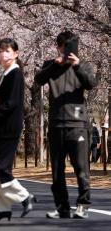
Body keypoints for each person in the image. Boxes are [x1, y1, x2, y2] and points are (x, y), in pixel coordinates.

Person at [35, 31, 98, 219]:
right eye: (63, 46)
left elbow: (91, 84)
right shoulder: (51, 65)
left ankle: (83, 205)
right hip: (55, 124)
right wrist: (55, 64)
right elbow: (38, 79)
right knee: (56, 171)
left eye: (70, 45)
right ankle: (62, 207)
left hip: (78, 124)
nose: (67, 49)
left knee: (81, 167)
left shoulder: (83, 65)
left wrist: (77, 66)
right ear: (58, 47)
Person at [0, 38, 36, 222]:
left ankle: (25, 197)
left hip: (8, 128)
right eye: (0, 51)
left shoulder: (16, 74)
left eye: (7, 51)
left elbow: (13, 102)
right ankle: (2, 209)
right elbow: (5, 99)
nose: (3, 54)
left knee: (0, 168)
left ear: (16, 53)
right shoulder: (5, 74)